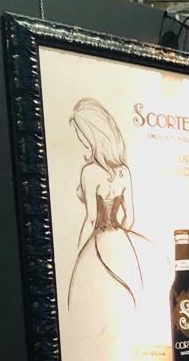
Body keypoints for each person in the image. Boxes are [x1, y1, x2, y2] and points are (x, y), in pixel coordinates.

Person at [68, 97, 160, 311]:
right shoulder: (123, 172)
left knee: (95, 299)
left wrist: (79, 251)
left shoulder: (90, 172)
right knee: (123, 298)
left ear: (91, 134)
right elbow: (130, 217)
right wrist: (119, 236)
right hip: (120, 240)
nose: (81, 138)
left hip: (97, 241)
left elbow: (91, 219)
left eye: (81, 133)